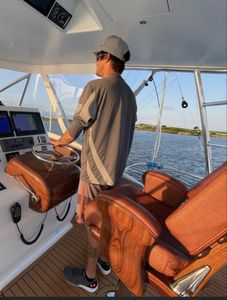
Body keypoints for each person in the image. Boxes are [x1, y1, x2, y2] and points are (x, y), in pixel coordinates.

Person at [52, 35, 137, 293]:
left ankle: (89, 277)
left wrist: (56, 145)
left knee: (92, 225)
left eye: (97, 56)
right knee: (104, 222)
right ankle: (103, 261)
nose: (96, 62)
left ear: (107, 57)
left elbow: (74, 130)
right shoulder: (129, 95)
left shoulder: (95, 87)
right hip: (115, 175)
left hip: (95, 175)